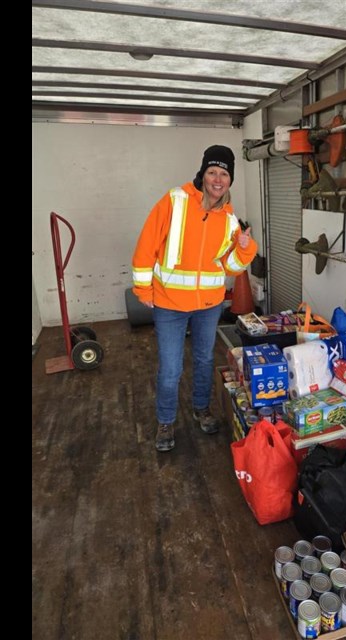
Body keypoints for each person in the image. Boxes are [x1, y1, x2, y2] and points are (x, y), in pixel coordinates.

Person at [131, 145, 257, 452]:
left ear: (230, 180)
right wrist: (143, 289)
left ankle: (201, 409)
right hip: (170, 305)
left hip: (208, 305)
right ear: (202, 174)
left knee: (203, 360)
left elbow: (230, 266)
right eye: (212, 172)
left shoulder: (229, 218)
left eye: (224, 174)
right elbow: (147, 245)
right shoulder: (175, 201)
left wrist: (244, 247)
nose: (217, 179)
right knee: (171, 368)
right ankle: (165, 421)